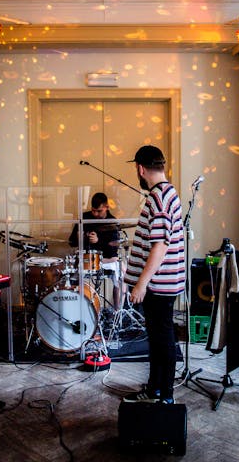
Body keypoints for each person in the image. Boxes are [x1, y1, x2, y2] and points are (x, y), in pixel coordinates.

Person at [123, 146, 185, 405]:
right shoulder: (168, 193)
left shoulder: (157, 199)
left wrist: (141, 284)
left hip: (158, 286)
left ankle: (165, 396)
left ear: (140, 168)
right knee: (160, 339)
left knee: (162, 340)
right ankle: (156, 389)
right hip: (166, 283)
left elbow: (160, 246)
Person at [69, 192, 124, 307]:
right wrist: (81, 237)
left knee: (121, 276)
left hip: (107, 259)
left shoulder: (112, 221)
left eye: (99, 211)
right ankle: (78, 307)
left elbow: (113, 249)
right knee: (70, 275)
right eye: (93, 210)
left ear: (106, 207)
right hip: (86, 260)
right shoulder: (84, 218)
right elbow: (71, 242)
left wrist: (98, 241)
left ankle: (116, 311)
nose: (95, 214)